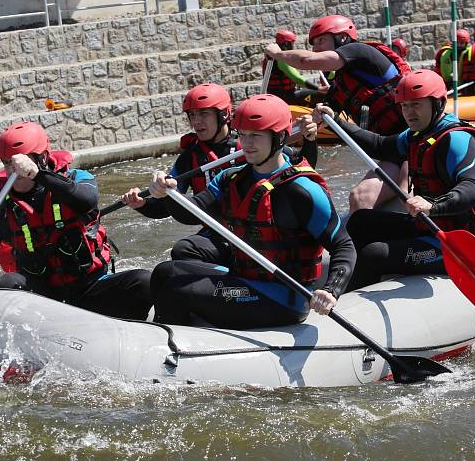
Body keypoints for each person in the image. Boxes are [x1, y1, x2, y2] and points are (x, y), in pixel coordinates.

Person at [146, 94, 356, 329]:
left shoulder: (303, 190)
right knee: (164, 273)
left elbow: (343, 245)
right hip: (246, 280)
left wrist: (331, 290)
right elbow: (190, 213)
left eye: (256, 135)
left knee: (176, 288)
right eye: (243, 135)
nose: (247, 143)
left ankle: (179, 347)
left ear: (280, 137)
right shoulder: (231, 177)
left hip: (283, 297)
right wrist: (170, 194)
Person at [0, 121, 152, 320]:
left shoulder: (77, 180)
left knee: (143, 281)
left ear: (42, 157)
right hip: (43, 302)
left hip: (90, 287)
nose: (15, 171)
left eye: (20, 163)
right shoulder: (1, 207)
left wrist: (38, 174)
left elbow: (87, 201)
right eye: (8, 164)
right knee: (9, 283)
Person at [313, 70, 475, 290]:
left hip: (455, 242)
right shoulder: (416, 134)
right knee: (360, 221)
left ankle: (349, 299)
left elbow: (472, 189)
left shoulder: (457, 139)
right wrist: (336, 122)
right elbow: (380, 146)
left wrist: (433, 205)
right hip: (427, 226)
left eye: (416, 105)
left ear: (438, 103)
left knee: (374, 254)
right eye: (404, 106)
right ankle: (349, 280)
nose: (409, 113)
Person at [121, 83, 319, 264]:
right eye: (192, 115)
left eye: (203, 114)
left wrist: (310, 140)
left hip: (261, 226)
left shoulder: (251, 145)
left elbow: (301, 168)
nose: (196, 121)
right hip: (221, 229)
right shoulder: (189, 157)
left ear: (224, 114)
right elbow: (171, 206)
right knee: (183, 251)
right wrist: (144, 203)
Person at [264, 14, 411, 213]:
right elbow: (315, 122)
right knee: (359, 198)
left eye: (321, 41)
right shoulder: (340, 86)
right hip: (392, 150)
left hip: (415, 141)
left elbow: (306, 60)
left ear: (342, 38)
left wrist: (278, 54)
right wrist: (270, 140)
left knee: (406, 193)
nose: (316, 48)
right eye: (313, 44)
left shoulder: (360, 52)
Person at [263, 29, 329, 105]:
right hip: (286, 97)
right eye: (291, 44)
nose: (292, 46)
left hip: (276, 96)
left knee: (309, 95)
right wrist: (319, 88)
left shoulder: (270, 57)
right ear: (286, 44)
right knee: (323, 94)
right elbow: (298, 79)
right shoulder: (281, 60)